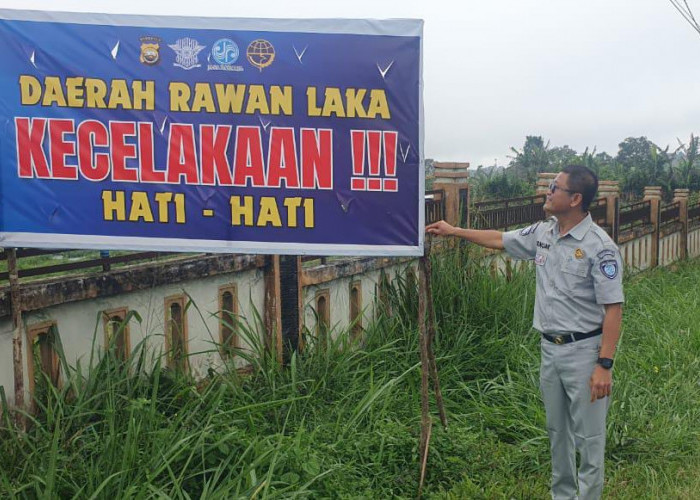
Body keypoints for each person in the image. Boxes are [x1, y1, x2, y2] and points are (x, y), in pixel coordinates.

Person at [426, 164, 623, 500]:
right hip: (550, 350)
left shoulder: (599, 247)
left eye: (555, 188)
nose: (548, 192)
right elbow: (500, 240)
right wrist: (454, 230)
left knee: (589, 438)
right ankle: (562, 495)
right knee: (557, 432)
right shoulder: (544, 233)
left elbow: (613, 308)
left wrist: (604, 364)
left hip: (584, 353)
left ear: (575, 198)